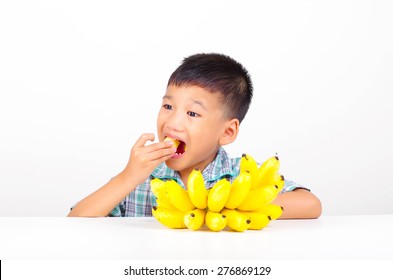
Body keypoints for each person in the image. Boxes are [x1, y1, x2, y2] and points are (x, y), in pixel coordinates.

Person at [68, 53, 322, 219]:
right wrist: (128, 176)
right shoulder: (142, 180)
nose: (173, 122)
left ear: (227, 131)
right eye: (168, 106)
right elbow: (76, 221)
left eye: (192, 113)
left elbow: (310, 204)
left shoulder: (242, 177)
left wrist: (228, 206)